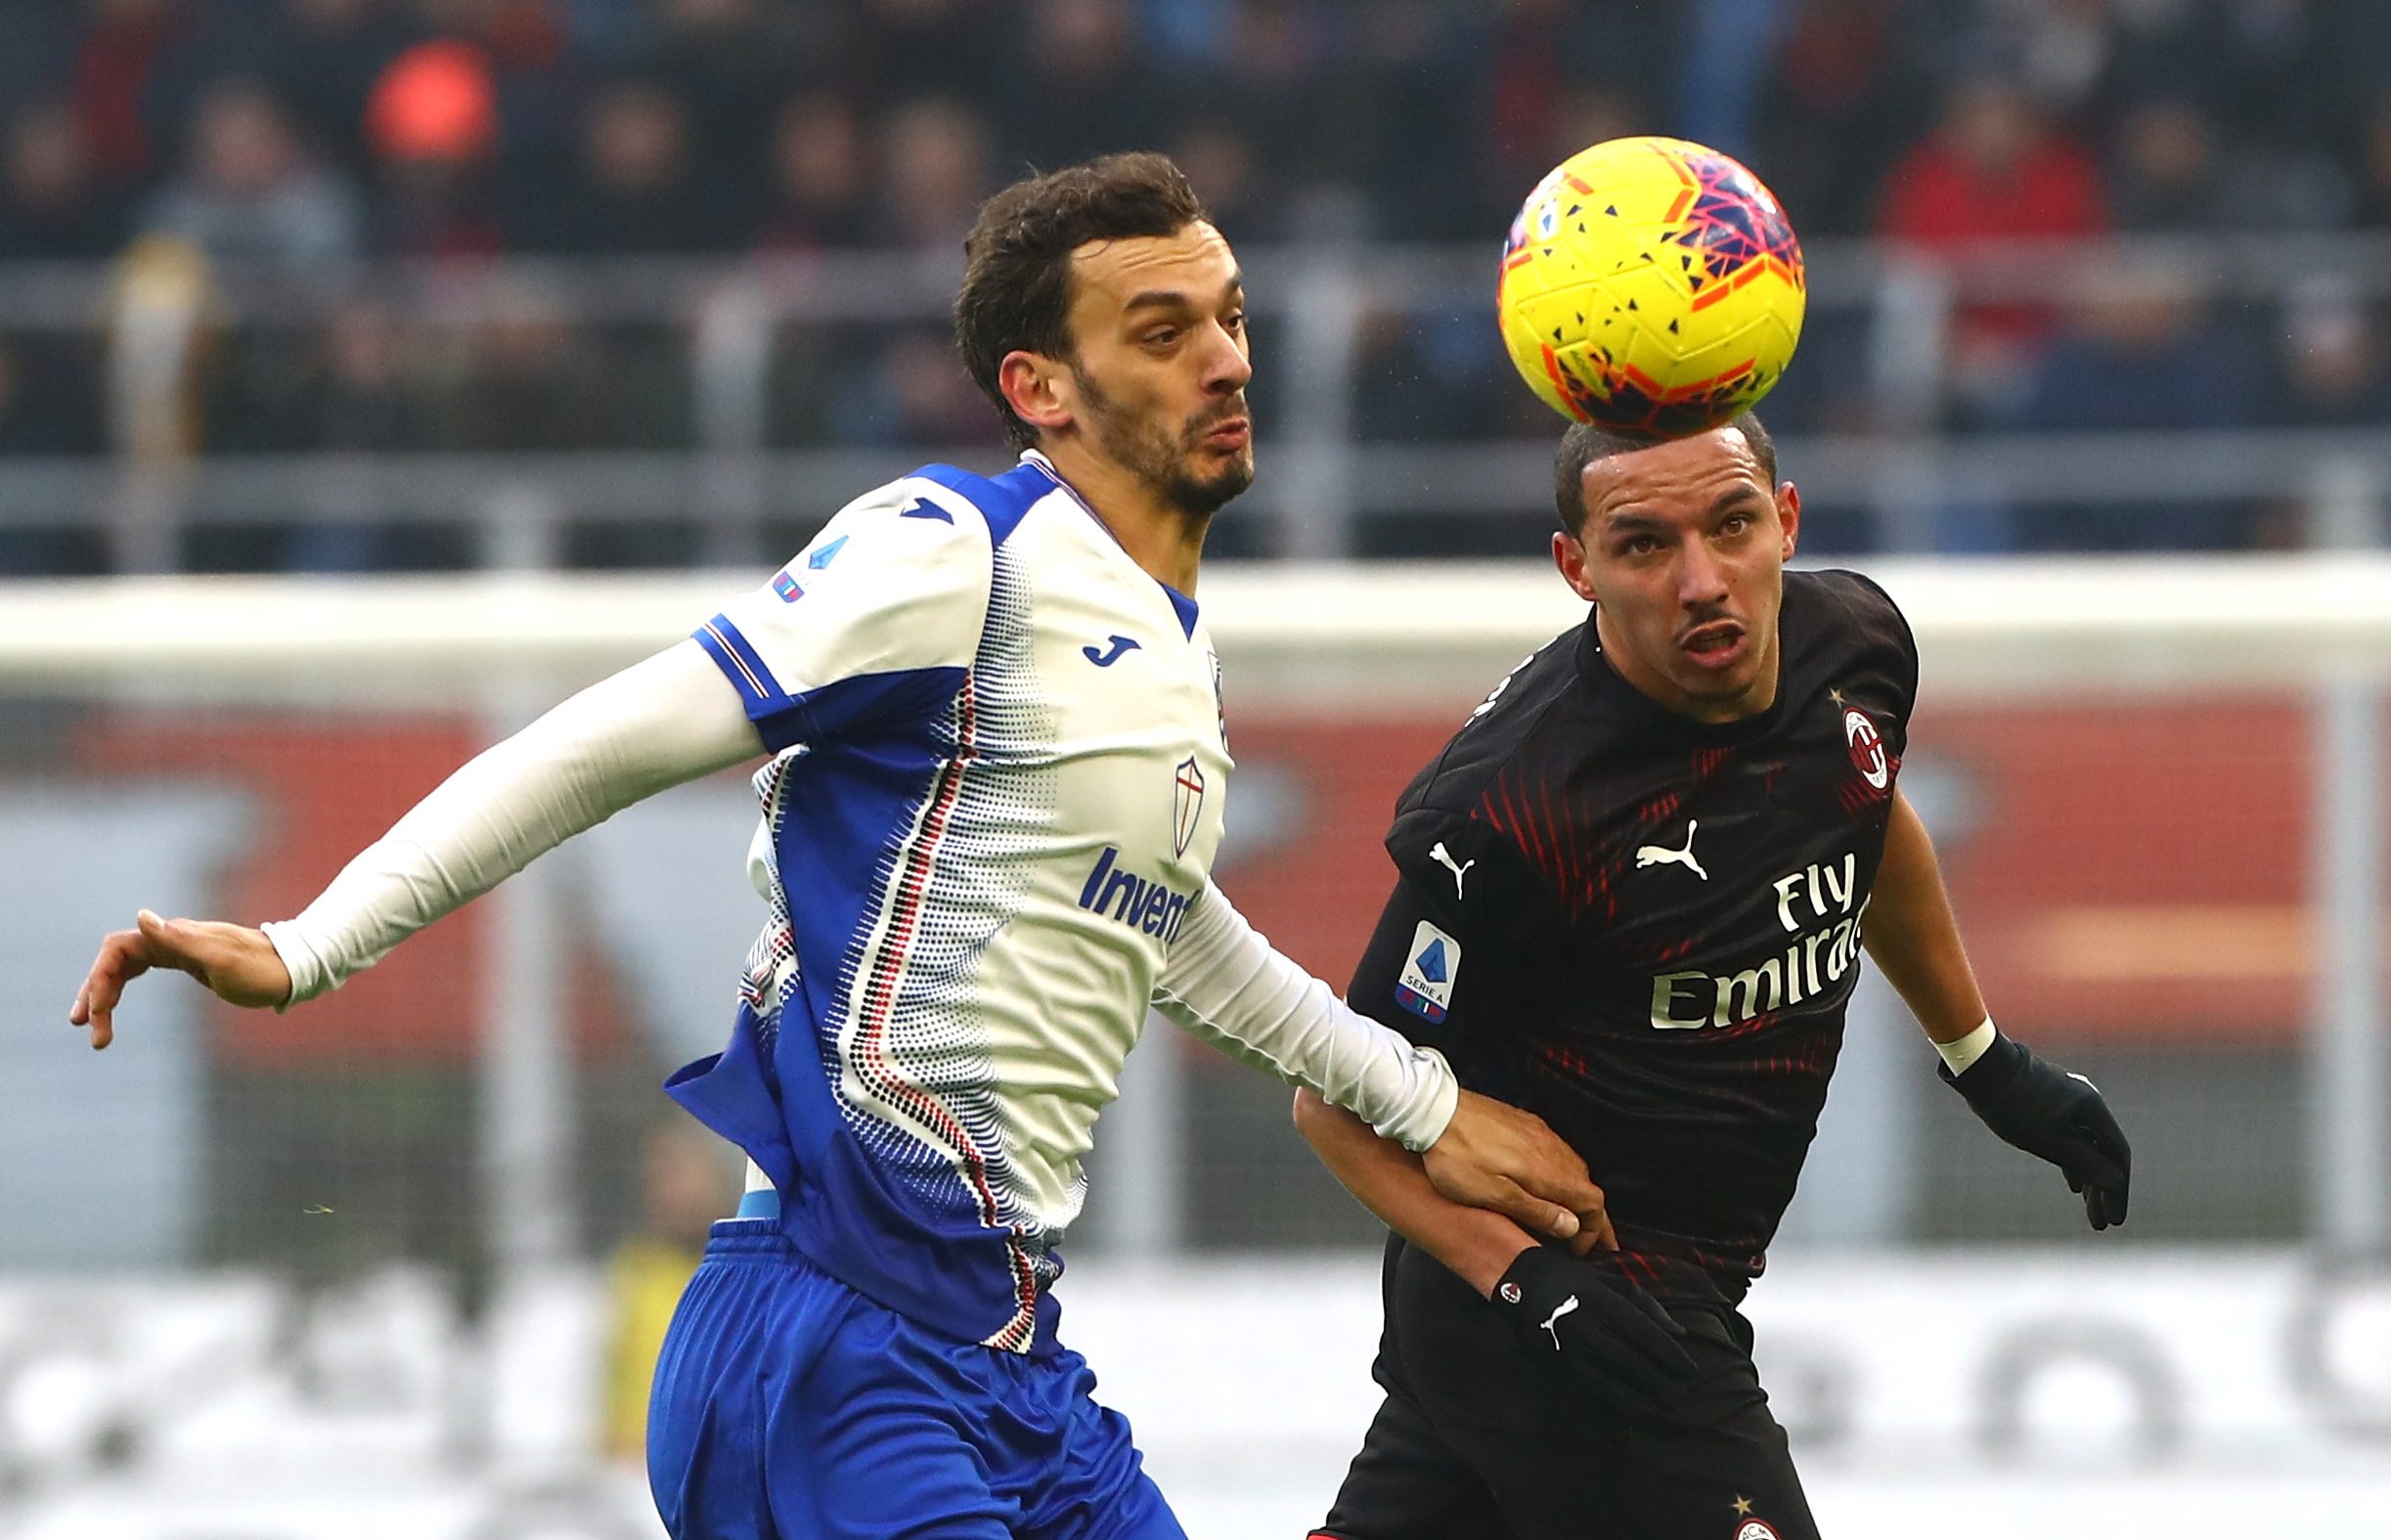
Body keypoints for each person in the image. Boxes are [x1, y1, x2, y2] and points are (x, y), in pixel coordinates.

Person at [67, 153, 1609, 1540]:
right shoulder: (957, 553)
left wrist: (1420, 1101)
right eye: (1162, 331)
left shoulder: (1163, 641)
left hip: (1007, 1362)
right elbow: (595, 743)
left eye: (1230, 315)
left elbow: (1162, 922)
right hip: (829, 1348)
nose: (1226, 358)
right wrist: (310, 942)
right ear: (1040, 387)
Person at [1297, 413, 2133, 1540]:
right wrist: (1532, 1288)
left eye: (1731, 525)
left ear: (1785, 522)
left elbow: (1863, 817)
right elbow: (1335, 1096)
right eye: (1645, 545)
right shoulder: (1507, 811)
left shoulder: (1858, 645)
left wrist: (1985, 1062)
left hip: (1645, 1298)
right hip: (1576, 1308)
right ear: (1577, 568)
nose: (1702, 582)